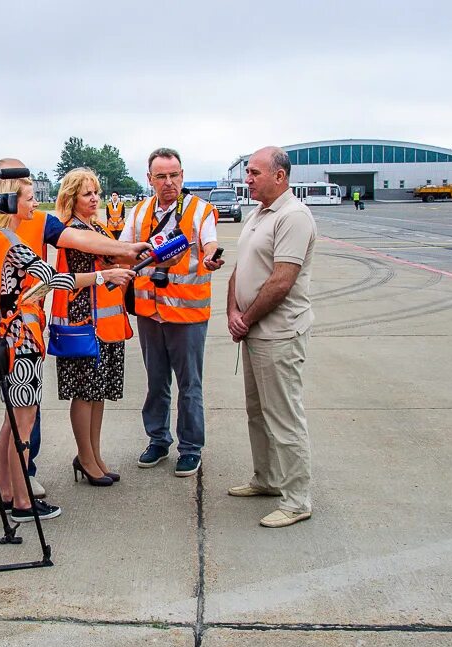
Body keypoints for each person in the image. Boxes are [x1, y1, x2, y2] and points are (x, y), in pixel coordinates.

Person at [0, 159, 150, 504]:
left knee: (18, 417)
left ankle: (19, 480)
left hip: (15, 336)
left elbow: (80, 238)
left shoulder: (33, 224)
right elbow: (46, 278)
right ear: (8, 196)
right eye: (30, 195)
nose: (36, 202)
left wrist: (123, 249)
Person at [0, 178, 135, 519]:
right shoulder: (14, 244)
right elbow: (55, 280)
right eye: (30, 199)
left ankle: (5, 492)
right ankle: (23, 503)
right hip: (21, 343)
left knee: (9, 424)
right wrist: (105, 276)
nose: (35, 205)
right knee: (24, 425)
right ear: (11, 203)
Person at [226, 146, 316, 528]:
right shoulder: (257, 214)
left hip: (278, 334)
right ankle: (266, 479)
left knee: (284, 416)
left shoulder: (294, 217)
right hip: (254, 331)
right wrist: (232, 310)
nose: (247, 179)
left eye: (254, 172)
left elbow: (281, 281)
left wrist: (245, 318)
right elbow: (240, 268)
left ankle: (297, 500)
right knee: (257, 413)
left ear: (279, 176)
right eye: (248, 172)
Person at [120, 148, 224, 477]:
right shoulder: (137, 214)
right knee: (156, 382)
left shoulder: (200, 210)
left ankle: (190, 448)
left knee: (190, 385)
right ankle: (158, 440)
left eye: (175, 175)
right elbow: (122, 250)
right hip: (150, 314)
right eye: (162, 176)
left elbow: (209, 243)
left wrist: (210, 257)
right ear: (149, 179)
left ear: (183, 175)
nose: (169, 182)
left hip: (188, 316)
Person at [53, 168, 135, 486]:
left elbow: (113, 260)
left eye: (96, 193)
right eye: (87, 193)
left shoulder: (96, 226)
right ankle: (85, 458)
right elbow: (102, 260)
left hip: (104, 323)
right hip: (82, 321)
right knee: (85, 393)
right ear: (71, 198)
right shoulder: (71, 230)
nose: (95, 198)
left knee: (97, 392)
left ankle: (95, 455)